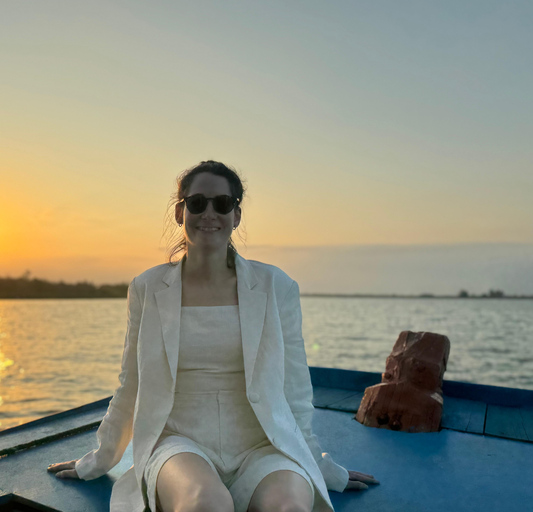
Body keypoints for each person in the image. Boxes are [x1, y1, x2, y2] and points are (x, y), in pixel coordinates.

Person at [47, 161, 378, 512]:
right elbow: (132, 383)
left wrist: (322, 468)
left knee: (289, 509)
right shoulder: (147, 288)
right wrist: (99, 460)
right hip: (180, 443)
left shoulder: (276, 286)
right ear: (180, 212)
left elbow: (295, 391)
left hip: (264, 446)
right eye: (197, 202)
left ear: (236, 215)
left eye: (222, 204)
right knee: (205, 504)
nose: (209, 213)